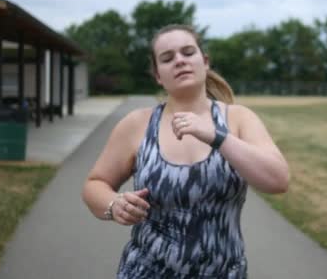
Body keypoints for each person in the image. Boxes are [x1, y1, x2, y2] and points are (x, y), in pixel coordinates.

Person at [81, 24, 290, 278]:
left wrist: (217, 137)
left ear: (205, 61)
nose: (179, 61)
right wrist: (114, 205)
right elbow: (95, 184)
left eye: (188, 52)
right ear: (158, 75)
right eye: (167, 58)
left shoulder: (238, 119)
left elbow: (278, 180)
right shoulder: (137, 124)